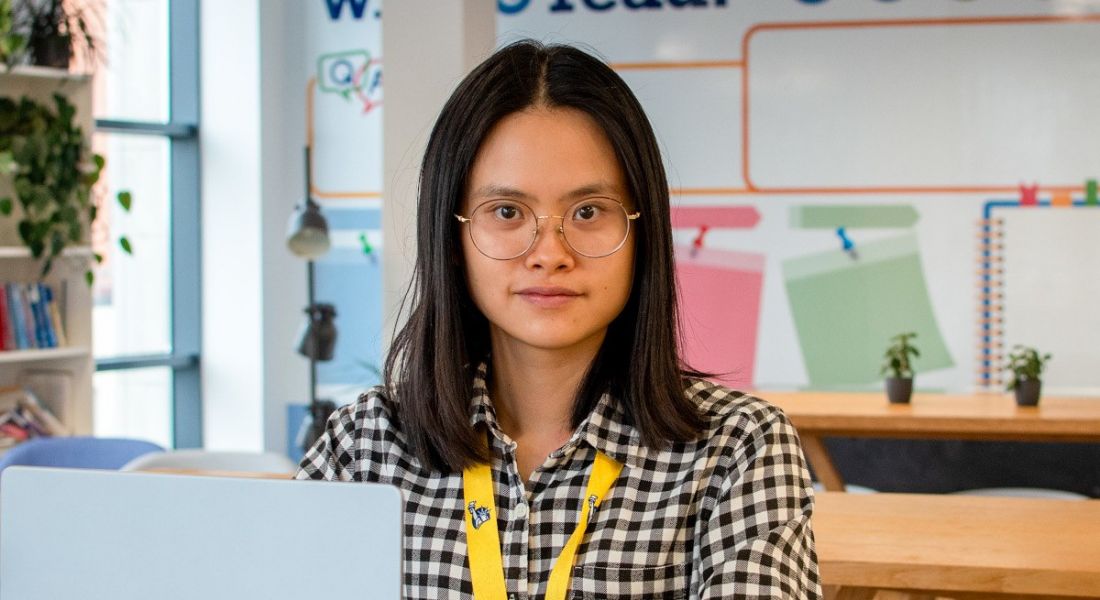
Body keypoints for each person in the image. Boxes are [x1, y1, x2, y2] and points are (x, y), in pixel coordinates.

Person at [297, 40, 821, 600]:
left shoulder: (736, 449)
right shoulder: (367, 446)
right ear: (452, 239)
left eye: (588, 212)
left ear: (642, 235)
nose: (550, 251)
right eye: (506, 212)